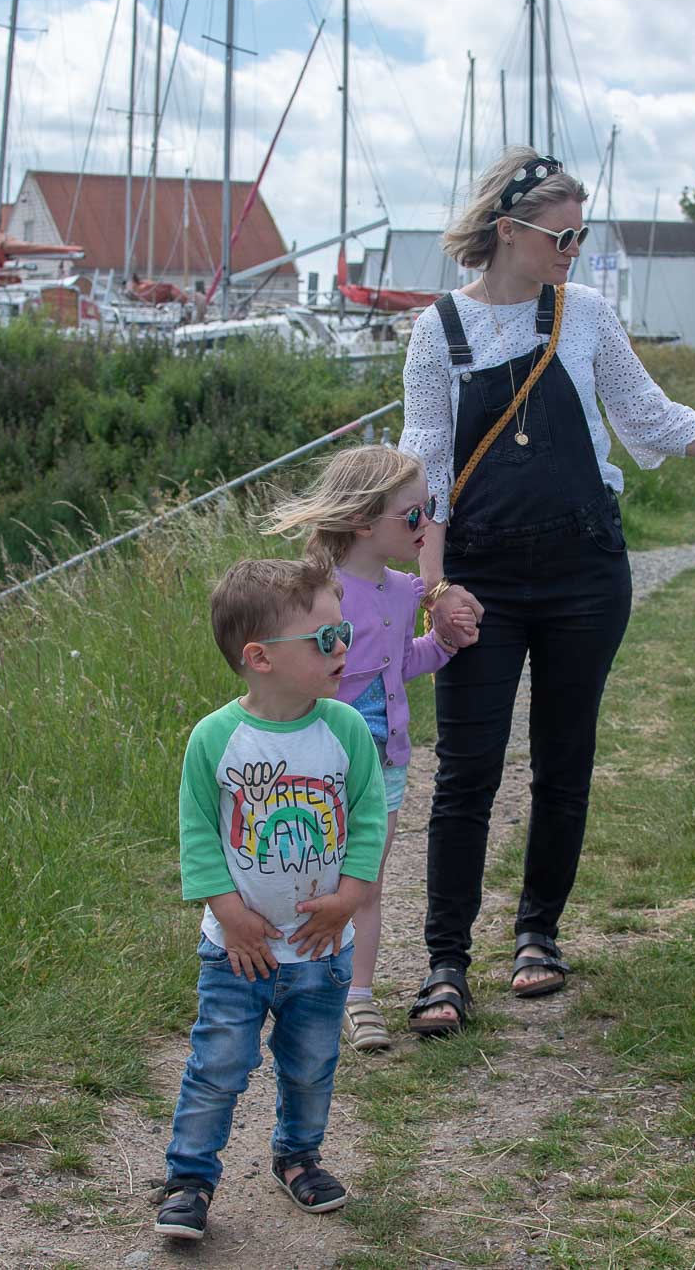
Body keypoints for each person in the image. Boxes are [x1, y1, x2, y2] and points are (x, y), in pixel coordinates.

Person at [399, 145, 695, 1035]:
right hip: (479, 577)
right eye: (565, 231)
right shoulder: (437, 329)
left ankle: (538, 935)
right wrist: (432, 589)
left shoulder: (586, 314)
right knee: (467, 770)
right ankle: (446, 962)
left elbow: (654, 421)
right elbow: (425, 473)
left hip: (583, 571)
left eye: (583, 231)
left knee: (565, 758)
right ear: (509, 230)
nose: (577, 245)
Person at [155, 557, 387, 1240]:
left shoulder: (344, 730)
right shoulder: (216, 739)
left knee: (312, 1063)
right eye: (324, 639)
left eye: (342, 632)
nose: (342, 647)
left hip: (321, 948)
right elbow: (198, 829)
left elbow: (368, 818)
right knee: (218, 1064)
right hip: (238, 950)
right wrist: (227, 910)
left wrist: (349, 896)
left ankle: (298, 1156)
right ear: (259, 657)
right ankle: (189, 1178)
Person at [265, 446, 478, 1051]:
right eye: (414, 516)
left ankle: (357, 999)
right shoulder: (318, 594)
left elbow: (399, 663)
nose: (427, 525)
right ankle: (297, 987)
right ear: (363, 523)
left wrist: (443, 642)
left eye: (430, 511)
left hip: (383, 764)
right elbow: (298, 673)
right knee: (305, 875)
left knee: (365, 882)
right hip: (317, 767)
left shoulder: (404, 590)